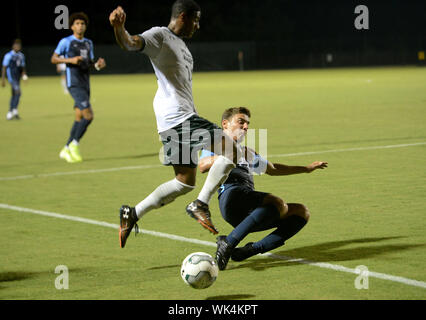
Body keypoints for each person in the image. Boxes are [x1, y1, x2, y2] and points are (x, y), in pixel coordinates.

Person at [109, 0, 251, 248]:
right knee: (233, 152)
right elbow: (130, 43)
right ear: (183, 16)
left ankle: (132, 213)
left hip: (175, 119)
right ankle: (201, 204)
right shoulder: (160, 36)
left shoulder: (183, 48)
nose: (198, 25)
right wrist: (118, 28)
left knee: (184, 181)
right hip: (178, 117)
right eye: (196, 20)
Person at [198, 107, 328, 270]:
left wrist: (306, 168)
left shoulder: (247, 152)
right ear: (225, 124)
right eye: (241, 122)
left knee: (301, 212)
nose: (245, 127)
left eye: (247, 124)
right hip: (231, 197)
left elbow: (273, 169)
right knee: (277, 203)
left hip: (250, 208)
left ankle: (248, 251)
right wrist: (229, 155)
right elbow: (202, 166)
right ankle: (228, 242)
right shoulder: (217, 145)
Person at [51, 12, 106, 163]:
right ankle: (74, 144)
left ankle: (66, 148)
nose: (80, 26)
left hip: (85, 83)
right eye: (77, 24)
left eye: (82, 24)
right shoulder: (66, 41)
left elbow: (90, 63)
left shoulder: (88, 43)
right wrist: (71, 60)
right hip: (73, 83)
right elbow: (54, 58)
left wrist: (98, 65)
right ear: (71, 26)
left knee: (79, 117)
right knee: (89, 115)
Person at [1, 39, 27, 120]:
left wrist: (24, 76)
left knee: (14, 94)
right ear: (13, 46)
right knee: (18, 92)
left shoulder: (21, 55)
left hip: (17, 77)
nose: (17, 47)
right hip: (11, 77)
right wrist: (3, 79)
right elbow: (4, 67)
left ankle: (13, 112)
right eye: (16, 45)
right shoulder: (8, 55)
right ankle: (11, 111)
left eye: (19, 46)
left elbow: (22, 67)